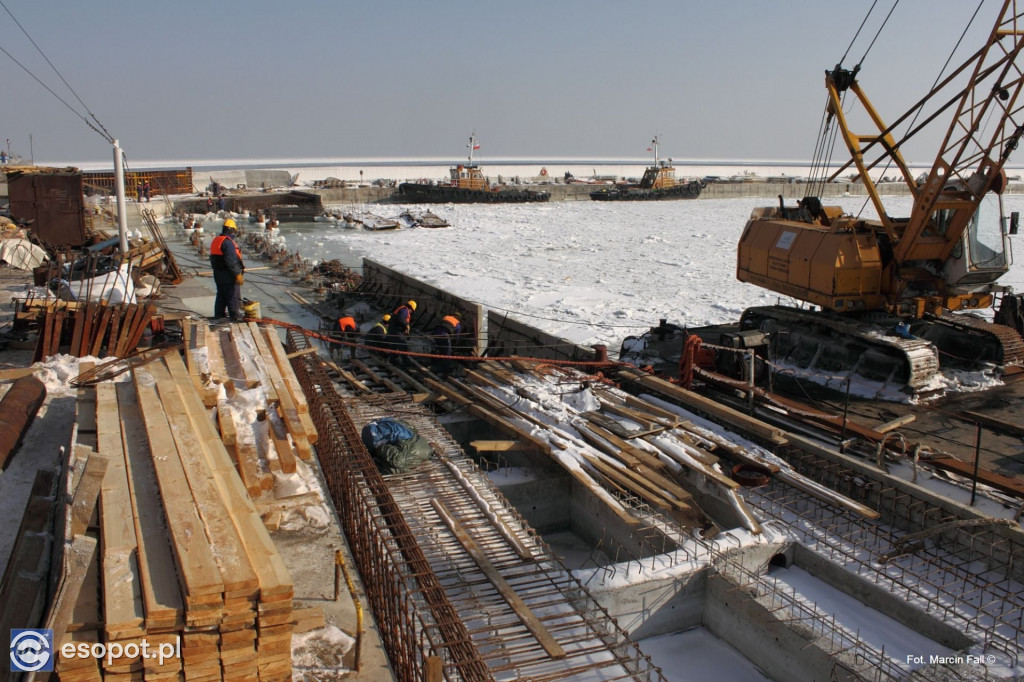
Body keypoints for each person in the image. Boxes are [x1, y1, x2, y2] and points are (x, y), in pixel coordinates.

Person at [210, 218, 244, 320]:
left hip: (218, 275)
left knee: (221, 298)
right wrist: (237, 274)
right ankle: (235, 318)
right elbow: (231, 262)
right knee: (233, 298)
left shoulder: (217, 240)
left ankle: (218, 317)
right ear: (232, 230)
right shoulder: (228, 243)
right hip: (228, 276)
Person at [385, 300, 416, 365]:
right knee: (403, 346)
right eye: (412, 311)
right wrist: (406, 325)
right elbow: (400, 319)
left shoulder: (402, 309)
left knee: (394, 346)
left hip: (392, 330)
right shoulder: (404, 310)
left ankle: (393, 361)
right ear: (410, 308)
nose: (411, 312)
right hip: (395, 331)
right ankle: (405, 362)